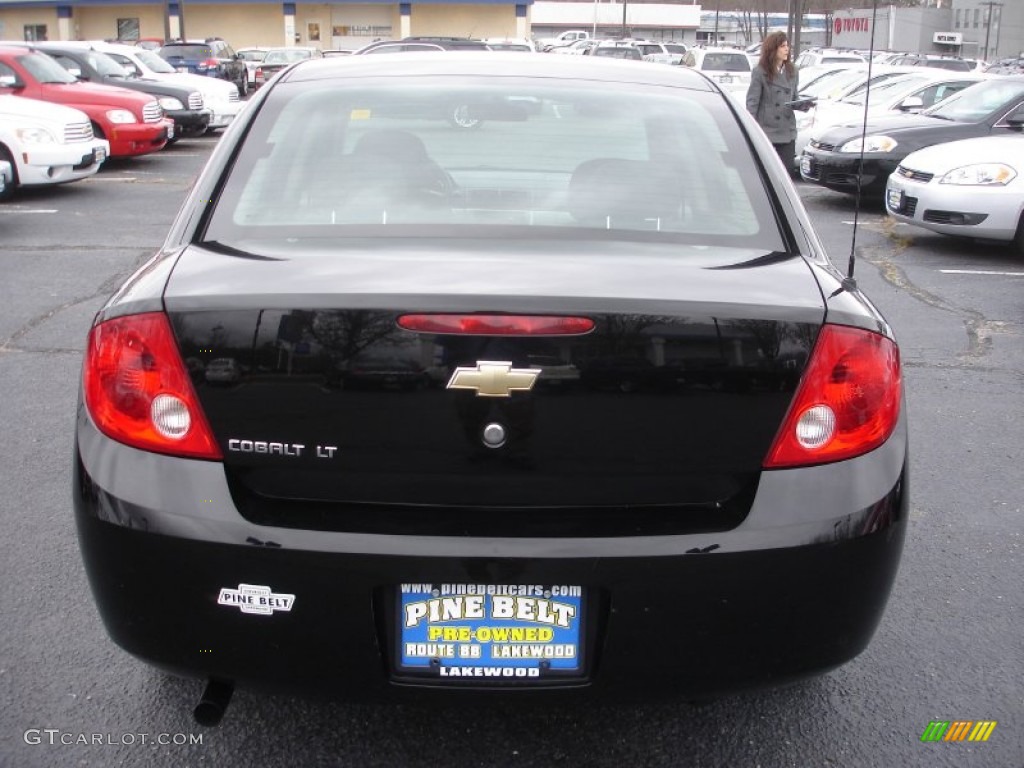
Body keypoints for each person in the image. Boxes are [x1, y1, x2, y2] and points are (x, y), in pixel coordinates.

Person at [745, 31, 808, 172]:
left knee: (786, 172)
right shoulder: (760, 72)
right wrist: (751, 130)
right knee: (767, 172)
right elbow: (752, 103)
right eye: (783, 46)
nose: (787, 49)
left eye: (787, 46)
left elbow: (794, 98)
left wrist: (803, 105)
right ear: (773, 49)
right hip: (767, 131)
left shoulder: (793, 71)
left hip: (787, 131)